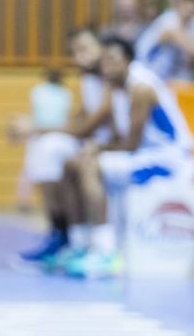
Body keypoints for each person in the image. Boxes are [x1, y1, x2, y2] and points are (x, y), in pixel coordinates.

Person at [58, 36, 193, 279]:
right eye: (105, 62)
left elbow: (131, 143)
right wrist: (97, 146)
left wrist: (97, 150)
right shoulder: (115, 88)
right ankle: (79, 244)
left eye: (113, 61)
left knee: (91, 166)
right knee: (72, 165)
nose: (107, 67)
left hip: (169, 158)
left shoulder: (140, 88)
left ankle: (106, 251)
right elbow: (117, 136)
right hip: (145, 154)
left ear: (128, 61)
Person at [13, 27, 113, 266]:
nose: (81, 56)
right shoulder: (89, 80)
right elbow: (81, 119)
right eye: (76, 51)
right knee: (45, 147)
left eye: (86, 48)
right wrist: (38, 129)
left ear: (101, 47)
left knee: (52, 148)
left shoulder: (112, 76)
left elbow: (88, 126)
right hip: (94, 142)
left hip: (111, 145)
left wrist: (37, 128)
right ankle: (61, 233)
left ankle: (97, 244)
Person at [134, 0, 194, 81]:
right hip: (148, 69)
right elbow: (190, 49)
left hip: (173, 77)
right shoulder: (168, 19)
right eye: (186, 2)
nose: (190, 6)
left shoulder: (191, 23)